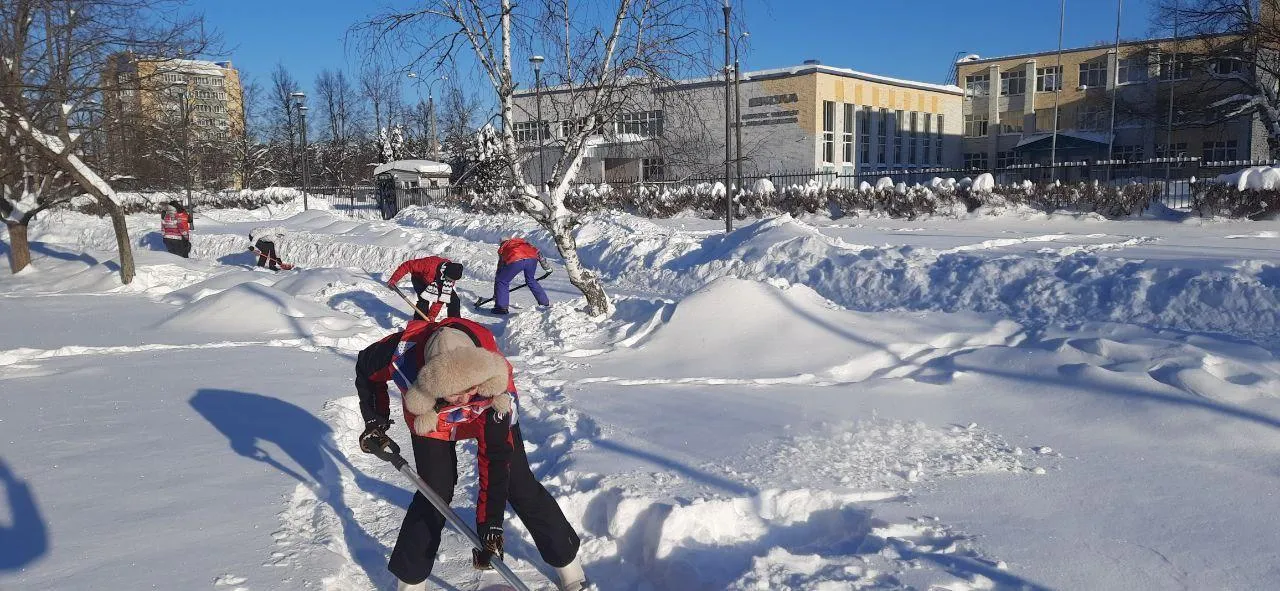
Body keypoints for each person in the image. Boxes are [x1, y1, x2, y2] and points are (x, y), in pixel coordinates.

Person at [355, 317, 588, 591]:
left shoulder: (493, 383)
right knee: (434, 492)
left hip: (488, 409)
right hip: (432, 419)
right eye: (454, 393)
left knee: (518, 483)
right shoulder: (402, 356)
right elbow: (366, 369)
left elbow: (495, 458)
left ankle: (568, 564)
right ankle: (410, 581)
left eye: (469, 389)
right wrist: (375, 420)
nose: (464, 398)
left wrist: (490, 526)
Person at [387, 256, 465, 320]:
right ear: (445, 272)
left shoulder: (450, 279)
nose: (450, 281)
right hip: (419, 279)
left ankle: (454, 323)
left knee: (454, 300)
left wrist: (432, 315)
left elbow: (441, 298)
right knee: (423, 301)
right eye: (449, 279)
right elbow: (408, 265)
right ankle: (418, 322)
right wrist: (394, 279)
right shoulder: (429, 264)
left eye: (452, 280)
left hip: (434, 282)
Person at [491, 236, 551, 314]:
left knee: (502, 281)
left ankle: (501, 308)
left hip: (516, 260)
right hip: (532, 260)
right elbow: (539, 253)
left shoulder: (504, 248)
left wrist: (497, 293)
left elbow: (500, 267)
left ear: (502, 243)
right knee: (531, 280)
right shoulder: (524, 243)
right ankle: (544, 303)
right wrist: (547, 269)